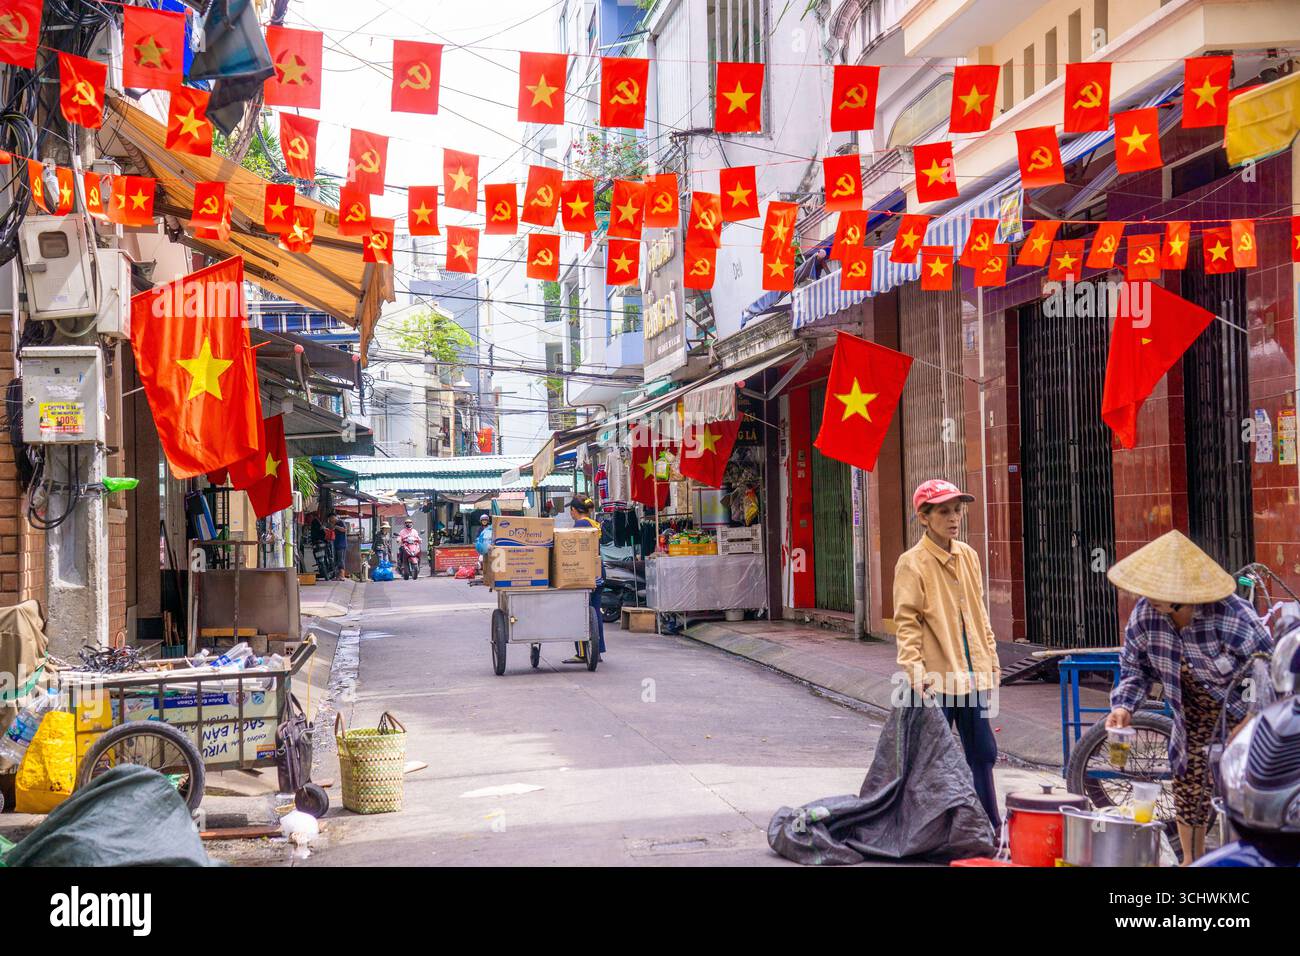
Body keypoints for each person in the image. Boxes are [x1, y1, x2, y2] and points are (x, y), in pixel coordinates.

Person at [1104, 530, 1272, 864]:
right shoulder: (1145, 617)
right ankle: (1192, 862)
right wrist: (1123, 706)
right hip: (1191, 719)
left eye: (1156, 591)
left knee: (1244, 800)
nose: (1147, 596)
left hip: (1245, 719)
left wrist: (1252, 722)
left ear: (1181, 594)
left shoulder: (1233, 617)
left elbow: (1271, 670)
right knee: (1189, 791)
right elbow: (1135, 668)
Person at [893, 479, 1002, 831]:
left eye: (957, 510)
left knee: (982, 752)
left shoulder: (968, 555)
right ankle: (923, 829)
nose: (953, 518)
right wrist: (914, 670)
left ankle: (988, 825)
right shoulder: (912, 563)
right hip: (934, 679)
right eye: (943, 511)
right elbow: (907, 623)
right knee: (930, 758)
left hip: (972, 678)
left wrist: (992, 659)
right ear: (924, 517)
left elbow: (979, 613)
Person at [564, 496, 606, 664]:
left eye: (571, 510)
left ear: (574, 510)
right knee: (594, 613)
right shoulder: (593, 523)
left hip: (585, 572)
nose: (570, 513)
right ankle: (597, 651)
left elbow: (577, 552)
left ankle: (582, 653)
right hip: (597, 572)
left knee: (580, 613)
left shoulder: (581, 525)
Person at [332, 516, 350, 580]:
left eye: (331, 519)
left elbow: (344, 529)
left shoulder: (341, 522)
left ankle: (342, 575)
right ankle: (338, 576)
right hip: (336, 544)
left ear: (333, 517)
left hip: (341, 545)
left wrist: (336, 527)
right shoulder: (335, 524)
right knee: (337, 560)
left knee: (341, 560)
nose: (331, 521)